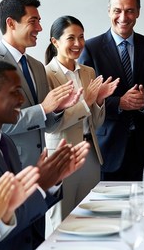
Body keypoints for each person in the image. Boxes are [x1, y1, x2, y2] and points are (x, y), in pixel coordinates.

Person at [0, 0, 82, 245]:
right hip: (7, 176)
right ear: (11, 23)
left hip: (39, 174)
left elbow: (48, 124)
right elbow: (4, 122)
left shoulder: (35, 65)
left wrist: (57, 110)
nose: (40, 29)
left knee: (35, 247)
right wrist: (44, 109)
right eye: (33, 21)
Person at [0, 61, 90, 250]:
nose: (22, 99)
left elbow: (19, 209)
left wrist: (50, 183)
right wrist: (40, 185)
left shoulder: (6, 143)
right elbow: (6, 216)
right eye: (14, 92)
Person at [79, 0, 144, 181]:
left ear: (138, 13)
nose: (123, 17)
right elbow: (85, 100)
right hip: (108, 147)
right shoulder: (91, 48)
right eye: (117, 11)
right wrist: (119, 102)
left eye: (129, 10)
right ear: (109, 11)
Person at [44, 16, 119, 230]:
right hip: (62, 155)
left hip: (90, 153)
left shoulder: (88, 72)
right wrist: (86, 103)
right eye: (71, 38)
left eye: (81, 37)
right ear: (55, 42)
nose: (78, 44)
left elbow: (96, 122)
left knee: (91, 218)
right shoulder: (47, 74)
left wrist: (100, 101)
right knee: (62, 220)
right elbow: (52, 123)